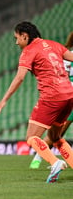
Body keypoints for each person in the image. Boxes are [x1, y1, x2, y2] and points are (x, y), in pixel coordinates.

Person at [0, 21, 73, 183]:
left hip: (52, 97)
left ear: (25, 36)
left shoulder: (28, 51)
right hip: (69, 96)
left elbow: (20, 77)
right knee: (55, 136)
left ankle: (55, 162)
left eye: (17, 38)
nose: (16, 42)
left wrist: (4, 99)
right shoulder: (54, 45)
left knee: (31, 137)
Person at [30, 31, 73, 169]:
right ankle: (40, 160)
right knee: (56, 135)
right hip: (68, 95)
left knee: (56, 134)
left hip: (63, 94)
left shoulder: (64, 54)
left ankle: (40, 160)